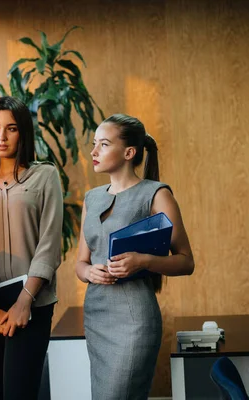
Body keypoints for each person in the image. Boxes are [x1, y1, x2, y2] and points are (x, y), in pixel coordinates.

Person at [75, 114, 195, 399]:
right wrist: (89, 272)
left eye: (103, 145)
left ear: (129, 153)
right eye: (94, 144)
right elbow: (81, 263)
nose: (93, 152)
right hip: (96, 316)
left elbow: (186, 260)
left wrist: (143, 261)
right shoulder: (92, 199)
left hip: (134, 321)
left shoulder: (155, 194)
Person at [0, 96, 63, 400]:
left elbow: (49, 244)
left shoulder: (45, 176)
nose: (1, 137)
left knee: (20, 391)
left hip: (33, 302)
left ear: (24, 133)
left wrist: (24, 302)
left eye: (11, 128)